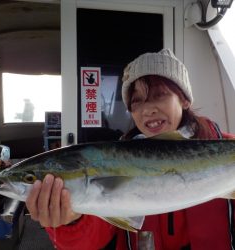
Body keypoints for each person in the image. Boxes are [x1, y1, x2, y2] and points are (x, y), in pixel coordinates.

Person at [26, 49, 235, 250]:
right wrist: (69, 222)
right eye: (137, 102)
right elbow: (89, 243)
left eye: (159, 95)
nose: (147, 110)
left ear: (184, 100)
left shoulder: (225, 146)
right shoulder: (112, 161)